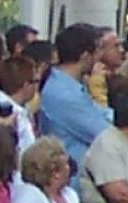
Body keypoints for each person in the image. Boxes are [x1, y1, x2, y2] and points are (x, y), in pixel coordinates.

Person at [39, 25, 115, 171]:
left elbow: (101, 113)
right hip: (73, 179)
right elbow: (103, 132)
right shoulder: (63, 94)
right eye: (98, 50)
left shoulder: (73, 86)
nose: (100, 56)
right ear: (85, 55)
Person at [85, 28, 124, 106]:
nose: (121, 50)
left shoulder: (122, 77)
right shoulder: (87, 82)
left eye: (121, 45)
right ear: (99, 49)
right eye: (116, 46)